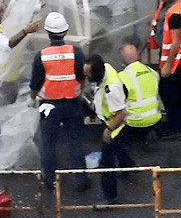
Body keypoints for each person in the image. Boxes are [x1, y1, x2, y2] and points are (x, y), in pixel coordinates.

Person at [30, 12, 90, 192]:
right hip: (72, 103)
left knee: (48, 143)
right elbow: (81, 76)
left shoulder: (41, 55)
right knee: (75, 142)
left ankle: (50, 180)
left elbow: (35, 82)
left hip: (49, 106)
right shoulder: (76, 52)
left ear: (48, 33)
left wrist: (31, 97)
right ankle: (81, 179)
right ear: (65, 31)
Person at [85, 53, 135, 206]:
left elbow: (121, 113)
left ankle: (110, 197)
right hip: (113, 122)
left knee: (106, 163)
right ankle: (129, 167)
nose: (87, 78)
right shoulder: (106, 67)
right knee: (119, 148)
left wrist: (109, 129)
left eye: (89, 75)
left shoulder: (111, 89)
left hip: (114, 125)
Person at [147, 0, 181, 135]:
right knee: (178, 87)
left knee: (168, 91)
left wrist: (166, 65)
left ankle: (175, 124)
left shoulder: (174, 15)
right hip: (173, 57)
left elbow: (175, 42)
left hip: (171, 59)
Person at [118, 43, 161, 147]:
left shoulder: (122, 77)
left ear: (122, 60)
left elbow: (117, 103)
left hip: (134, 122)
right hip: (155, 118)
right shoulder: (152, 72)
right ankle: (146, 136)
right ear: (138, 56)